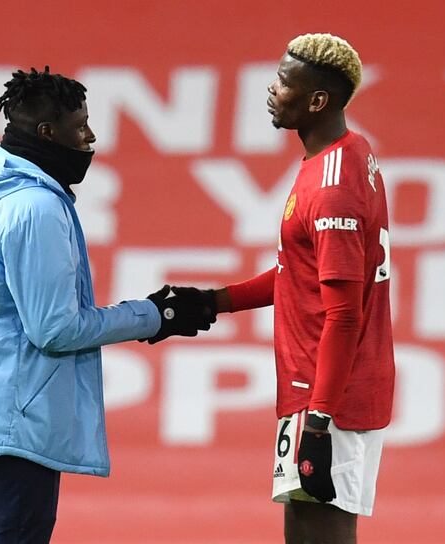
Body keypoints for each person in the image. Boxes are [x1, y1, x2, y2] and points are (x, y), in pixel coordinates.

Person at [0, 67, 214, 543]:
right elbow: (56, 330)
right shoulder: (33, 208)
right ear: (47, 133)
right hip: (11, 424)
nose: (90, 136)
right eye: (80, 125)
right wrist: (157, 315)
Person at [172, 34, 395, 543]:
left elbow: (344, 315)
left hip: (329, 395)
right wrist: (214, 302)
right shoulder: (344, 155)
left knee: (322, 536)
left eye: (283, 82)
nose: (271, 90)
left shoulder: (331, 188)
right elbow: (302, 275)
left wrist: (319, 420)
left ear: (318, 101)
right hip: (317, 389)